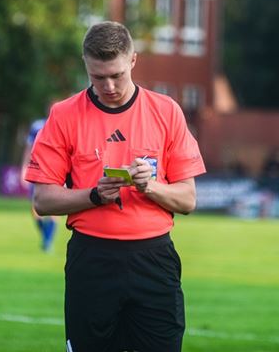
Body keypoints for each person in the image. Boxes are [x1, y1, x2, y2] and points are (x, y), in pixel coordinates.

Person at [25, 21, 206, 352]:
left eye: (117, 75)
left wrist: (151, 187)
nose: (108, 86)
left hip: (154, 259)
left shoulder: (166, 111)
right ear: (86, 65)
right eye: (98, 77)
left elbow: (188, 199)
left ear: (133, 61)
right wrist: (93, 195)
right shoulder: (63, 115)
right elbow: (43, 200)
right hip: (92, 259)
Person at [21, 116, 58, 252]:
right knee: (35, 209)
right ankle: (45, 237)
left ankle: (48, 241)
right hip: (37, 171)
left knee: (54, 210)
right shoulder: (37, 126)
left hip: (56, 171)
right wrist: (24, 167)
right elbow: (28, 148)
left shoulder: (64, 124)